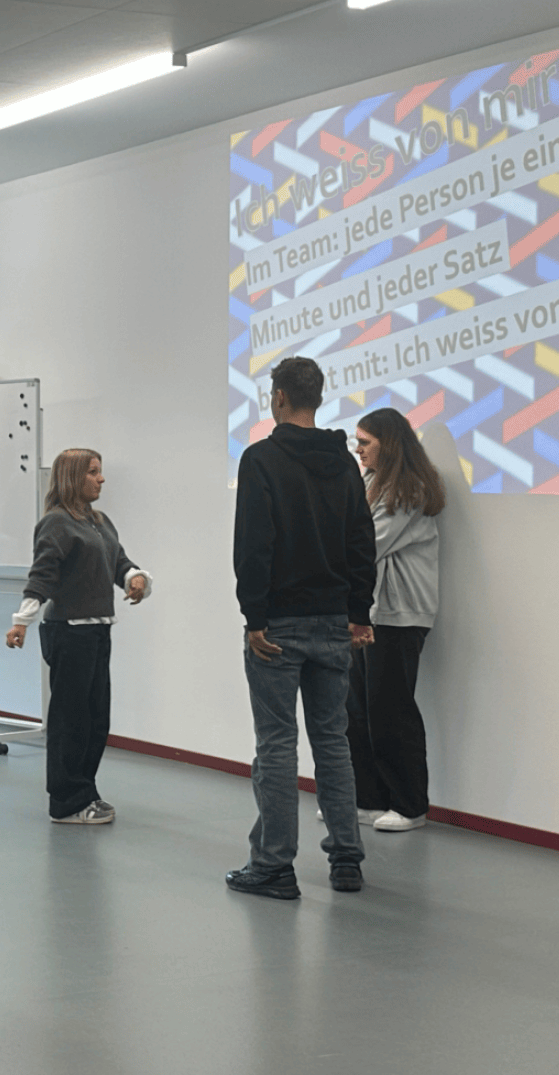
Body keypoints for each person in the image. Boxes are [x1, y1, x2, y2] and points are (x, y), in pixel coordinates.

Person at [228, 356, 375, 899]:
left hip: (280, 624)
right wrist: (359, 613)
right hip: (334, 620)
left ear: (281, 397)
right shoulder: (344, 464)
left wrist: (254, 616)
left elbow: (254, 544)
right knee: (332, 742)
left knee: (276, 744)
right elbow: (363, 542)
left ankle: (273, 866)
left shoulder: (260, 459)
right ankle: (346, 861)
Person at [3, 448, 153, 824]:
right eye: (93, 472)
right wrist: (22, 621)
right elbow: (42, 576)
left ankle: (86, 790)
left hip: (98, 630)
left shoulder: (99, 521)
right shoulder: (56, 523)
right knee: (71, 720)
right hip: (68, 633)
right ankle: (66, 803)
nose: (101, 479)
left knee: (95, 718)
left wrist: (135, 578)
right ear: (72, 477)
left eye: (100, 472)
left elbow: (118, 561)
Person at [344, 407, 444, 833]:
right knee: (357, 709)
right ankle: (368, 798)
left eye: (365, 442)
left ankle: (409, 804)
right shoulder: (368, 481)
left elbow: (366, 543)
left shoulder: (410, 489)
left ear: (390, 443)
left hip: (400, 615)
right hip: (368, 612)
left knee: (390, 710)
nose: (358, 449)